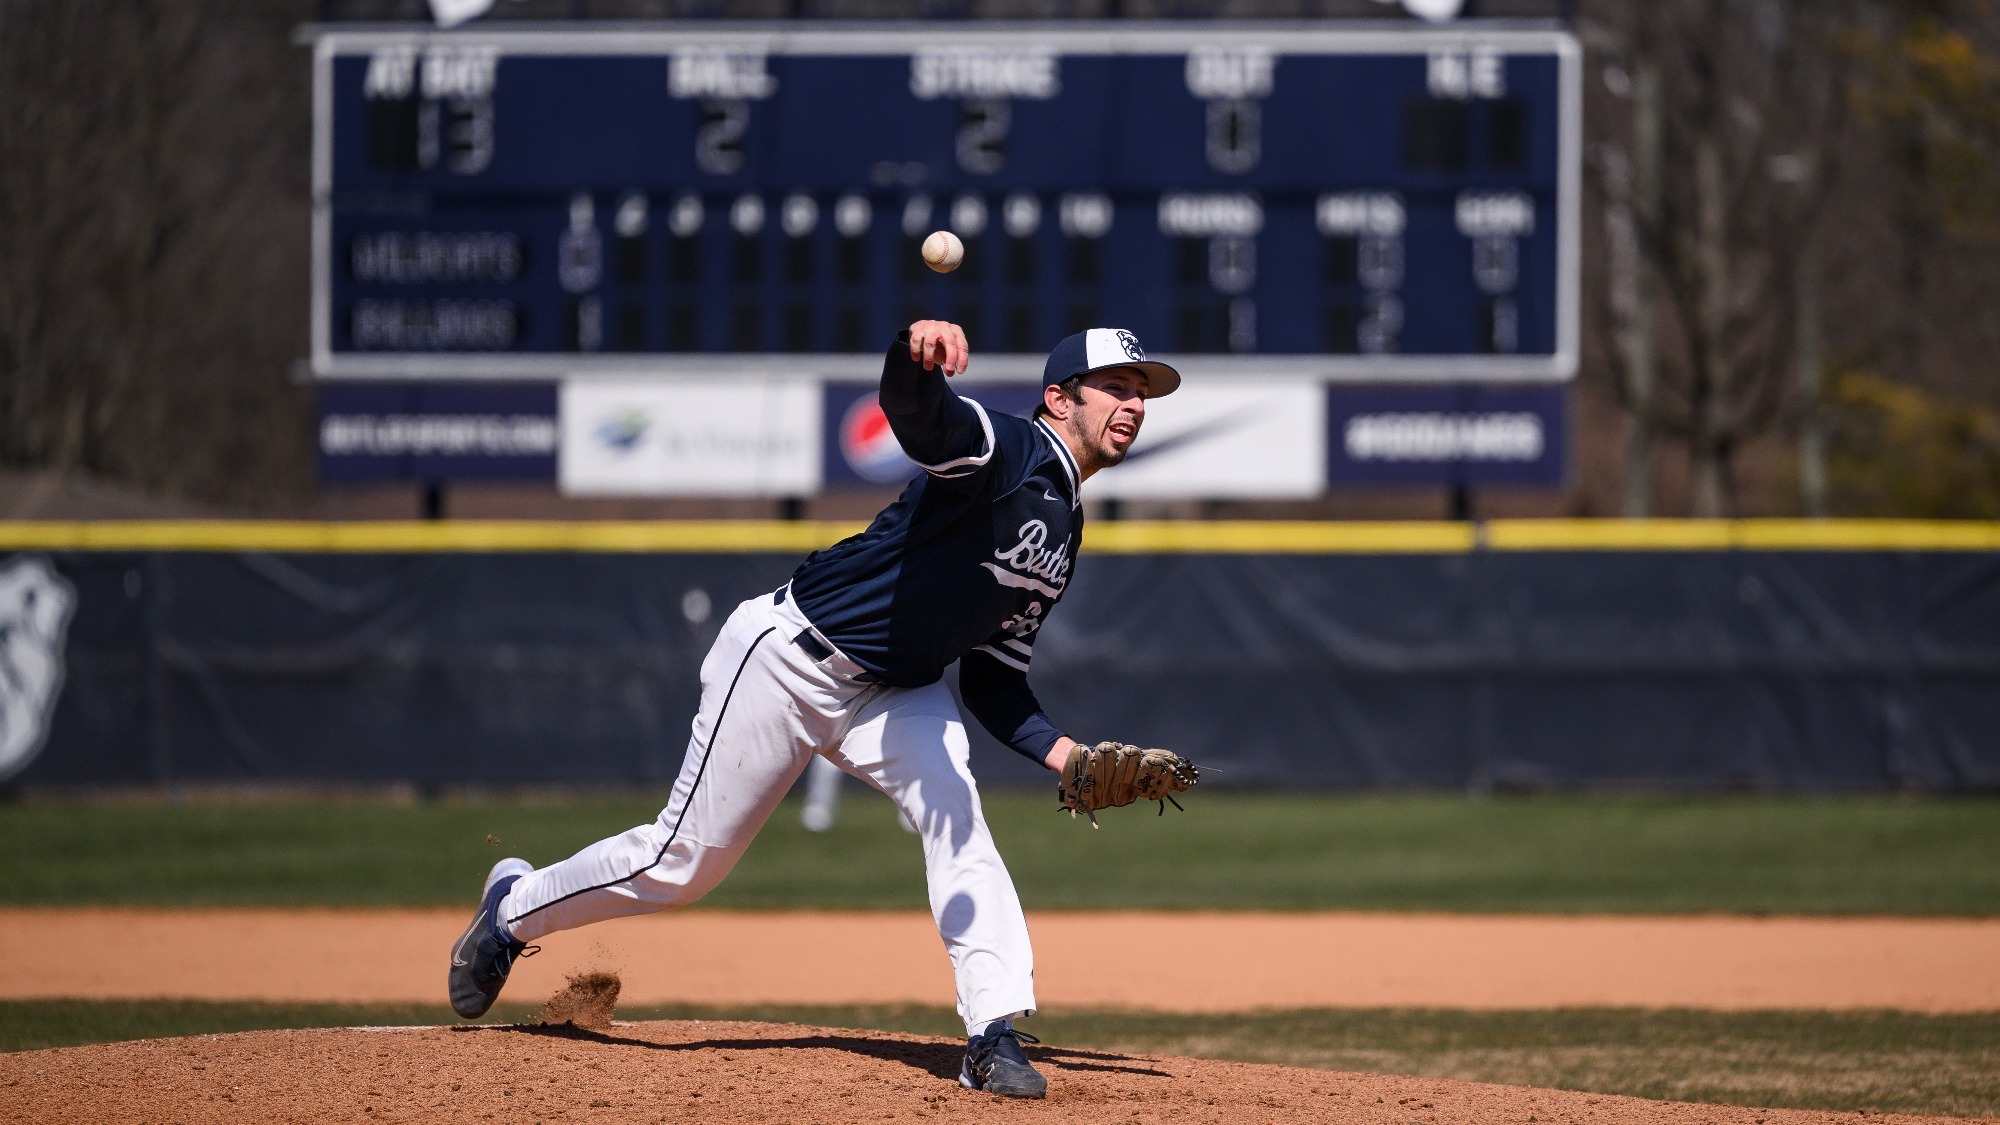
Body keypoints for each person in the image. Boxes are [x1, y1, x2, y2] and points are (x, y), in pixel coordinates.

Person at [448, 321, 1180, 1099]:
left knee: (956, 814)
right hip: (790, 659)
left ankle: (992, 1034)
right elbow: (919, 414)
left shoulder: (1064, 534)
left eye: (1142, 392)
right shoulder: (1006, 448)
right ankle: (511, 911)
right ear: (1058, 397)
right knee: (683, 864)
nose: (1133, 404)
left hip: (900, 689)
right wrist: (911, 351)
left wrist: (1067, 756)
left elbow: (994, 679)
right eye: (1117, 386)